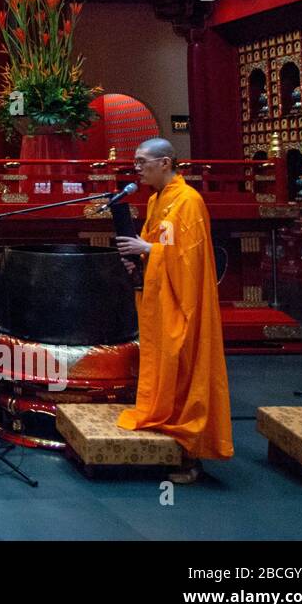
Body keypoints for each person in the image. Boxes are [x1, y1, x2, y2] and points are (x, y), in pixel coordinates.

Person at [115, 137, 233, 482]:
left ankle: (190, 454)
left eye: (142, 162)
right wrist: (139, 255)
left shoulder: (189, 202)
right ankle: (164, 430)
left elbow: (189, 259)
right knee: (163, 363)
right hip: (160, 297)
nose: (136, 169)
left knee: (184, 367)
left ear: (165, 163)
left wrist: (148, 249)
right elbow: (159, 245)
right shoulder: (157, 200)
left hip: (185, 302)